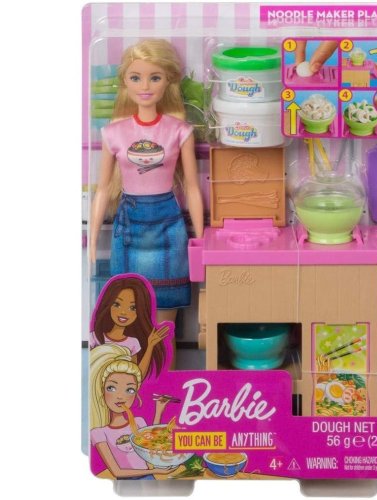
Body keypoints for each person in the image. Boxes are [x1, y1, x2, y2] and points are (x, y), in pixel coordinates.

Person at [90, 39, 204, 326]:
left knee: (165, 323)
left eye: (155, 77)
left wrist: (200, 241)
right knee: (129, 318)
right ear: (124, 82)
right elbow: (102, 189)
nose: (145, 86)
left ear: (168, 81)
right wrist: (92, 241)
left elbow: (192, 187)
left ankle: (165, 359)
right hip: (129, 227)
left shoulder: (179, 131)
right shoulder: (113, 133)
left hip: (168, 226)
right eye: (135, 78)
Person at [90, 344, 175, 479]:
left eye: (129, 390)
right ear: (102, 392)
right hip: (124, 482)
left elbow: (153, 442)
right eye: (111, 388)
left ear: (136, 395)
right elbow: (117, 472)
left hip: (148, 480)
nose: (120, 396)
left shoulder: (138, 422)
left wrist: (159, 410)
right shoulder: (99, 433)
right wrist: (154, 471)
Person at [90, 275, 170, 378]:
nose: (123, 312)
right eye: (117, 304)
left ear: (140, 311)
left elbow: (137, 376)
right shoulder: (95, 338)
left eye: (133, 308)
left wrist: (150, 346)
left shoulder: (133, 343)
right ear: (108, 304)